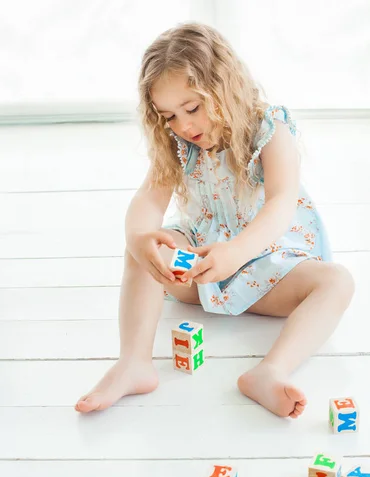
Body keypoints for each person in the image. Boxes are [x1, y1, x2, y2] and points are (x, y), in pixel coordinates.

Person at [75, 22, 354, 417]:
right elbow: (147, 200)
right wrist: (140, 240)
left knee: (337, 282)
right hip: (202, 269)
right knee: (149, 246)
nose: (184, 126)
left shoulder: (269, 130)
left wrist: (236, 252)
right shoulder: (177, 144)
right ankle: (134, 362)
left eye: (192, 108)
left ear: (226, 87)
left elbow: (281, 203)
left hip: (270, 263)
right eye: (169, 116)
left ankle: (270, 371)